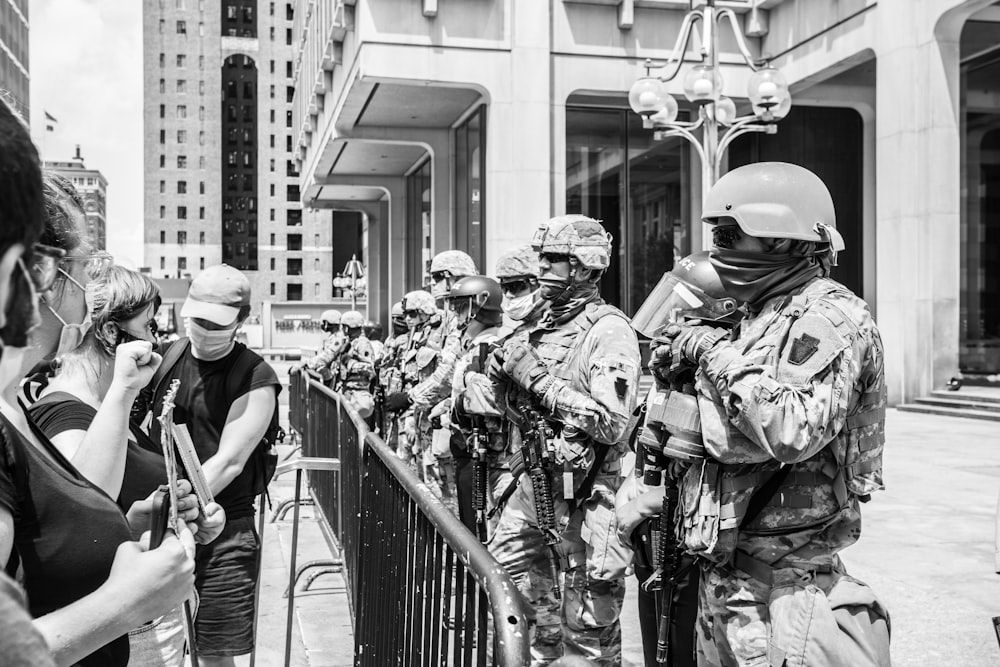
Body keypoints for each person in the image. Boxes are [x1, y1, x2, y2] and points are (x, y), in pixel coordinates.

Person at [655, 162, 889, 666]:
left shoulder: (829, 316)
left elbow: (792, 431)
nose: (716, 247)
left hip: (785, 587)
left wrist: (709, 354)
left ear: (783, 240)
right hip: (727, 575)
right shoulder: (755, 317)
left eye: (729, 234)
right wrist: (673, 378)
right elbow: (702, 425)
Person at [0, 96, 197, 666]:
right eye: (81, 272)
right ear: (33, 270)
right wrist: (124, 603)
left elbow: (44, 543)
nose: (87, 299)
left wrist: (118, 528)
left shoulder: (14, 405)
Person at [26, 264, 228, 666]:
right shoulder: (65, 413)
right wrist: (123, 387)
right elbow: (83, 515)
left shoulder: (111, 407)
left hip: (151, 619)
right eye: (148, 325)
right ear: (109, 332)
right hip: (121, 630)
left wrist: (183, 520)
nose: (155, 338)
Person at [488, 215, 640, 665]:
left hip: (585, 502)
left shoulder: (608, 330)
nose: (541, 268)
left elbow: (612, 422)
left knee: (587, 637)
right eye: (542, 257)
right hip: (531, 492)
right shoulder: (541, 326)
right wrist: (502, 381)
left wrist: (535, 379)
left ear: (585, 267)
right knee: (512, 604)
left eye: (553, 258)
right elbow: (515, 410)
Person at [147, 264, 281, 666]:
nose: (201, 329)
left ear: (242, 320)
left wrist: (176, 508)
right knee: (158, 650)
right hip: (160, 524)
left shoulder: (256, 376)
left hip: (224, 532)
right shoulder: (166, 356)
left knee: (213, 654)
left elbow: (229, 462)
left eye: (214, 322)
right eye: (196, 317)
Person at [615, 251, 742, 667]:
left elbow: (710, 463)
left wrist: (643, 505)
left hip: (692, 548)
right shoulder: (675, 371)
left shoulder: (726, 379)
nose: (672, 325)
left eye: (684, 313)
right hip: (658, 544)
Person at [387, 251, 479, 502]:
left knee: (448, 489)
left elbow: (448, 371)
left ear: (453, 278)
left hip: (464, 421)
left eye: (438, 277)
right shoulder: (449, 319)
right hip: (443, 415)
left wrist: (410, 397)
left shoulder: (468, 316)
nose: (433, 283)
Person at [436, 275, 503, 536]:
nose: (454, 313)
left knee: (479, 528)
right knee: (468, 522)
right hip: (466, 447)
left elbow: (490, 400)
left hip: (483, 453)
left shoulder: (489, 346)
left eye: (460, 306)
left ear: (479, 305)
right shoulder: (474, 345)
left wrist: (461, 405)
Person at [384, 290, 445, 480]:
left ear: (424, 311)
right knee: (417, 472)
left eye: (412, 314)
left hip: (434, 415)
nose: (406, 319)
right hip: (416, 415)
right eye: (405, 315)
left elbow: (441, 378)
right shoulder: (416, 336)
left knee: (437, 479)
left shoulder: (439, 332)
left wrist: (409, 401)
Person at [335, 310, 376, 419]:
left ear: (347, 327)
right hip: (349, 391)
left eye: (343, 327)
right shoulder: (350, 343)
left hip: (358, 394)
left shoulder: (362, 344)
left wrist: (350, 363)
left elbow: (370, 368)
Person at [302, 309, 345, 384]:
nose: (323, 325)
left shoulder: (339, 337)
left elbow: (328, 355)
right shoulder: (333, 336)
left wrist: (309, 364)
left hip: (337, 377)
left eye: (325, 322)